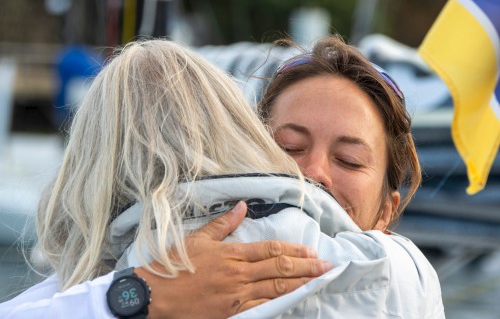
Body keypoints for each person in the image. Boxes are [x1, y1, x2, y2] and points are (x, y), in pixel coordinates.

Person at [0, 39, 332, 318]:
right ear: (241, 130)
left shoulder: (79, 293)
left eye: (347, 160)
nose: (317, 173)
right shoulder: (349, 252)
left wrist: (134, 297)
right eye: (292, 147)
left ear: (89, 167)